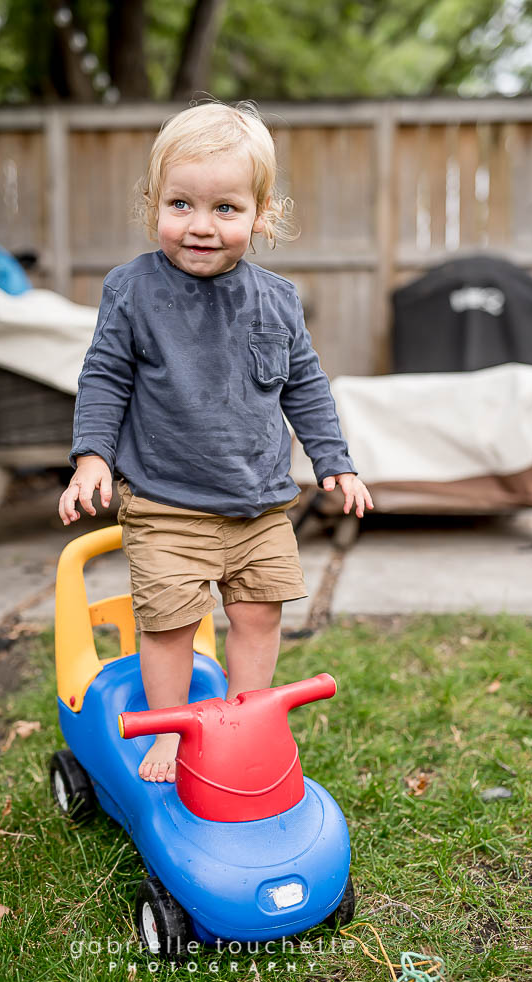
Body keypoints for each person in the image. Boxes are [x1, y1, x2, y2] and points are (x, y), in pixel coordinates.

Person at [59, 101, 373, 784]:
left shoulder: (277, 300)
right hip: (166, 505)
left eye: (226, 208)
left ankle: (245, 721)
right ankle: (172, 732)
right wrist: (92, 456)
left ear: (262, 215)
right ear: (154, 204)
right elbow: (104, 376)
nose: (201, 225)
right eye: (181, 204)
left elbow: (306, 386)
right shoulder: (132, 290)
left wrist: (335, 462)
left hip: (260, 506)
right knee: (170, 625)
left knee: (258, 616)